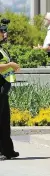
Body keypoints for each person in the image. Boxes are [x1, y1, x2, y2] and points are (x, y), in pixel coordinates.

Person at [0, 19, 20, 160]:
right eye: (2, 31)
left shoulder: (2, 48)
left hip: (3, 89)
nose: (4, 33)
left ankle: (7, 150)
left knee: (4, 120)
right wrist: (11, 65)